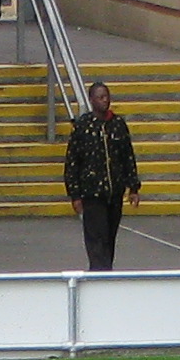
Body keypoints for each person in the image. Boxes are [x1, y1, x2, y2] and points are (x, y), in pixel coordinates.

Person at [63, 80, 138, 272]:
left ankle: (107, 271)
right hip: (92, 194)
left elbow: (127, 156)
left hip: (114, 192)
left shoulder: (118, 125)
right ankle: (99, 272)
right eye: (100, 97)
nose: (105, 101)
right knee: (97, 236)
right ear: (91, 100)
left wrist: (133, 187)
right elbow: (72, 162)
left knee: (110, 236)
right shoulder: (82, 127)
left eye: (107, 96)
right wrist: (75, 194)